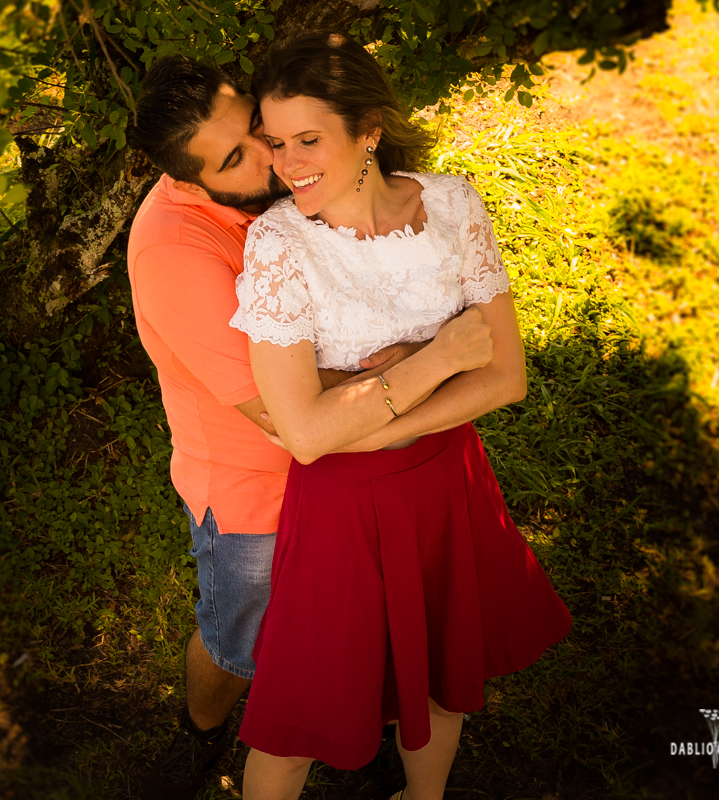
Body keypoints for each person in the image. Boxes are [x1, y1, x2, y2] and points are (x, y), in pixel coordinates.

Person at [125, 58, 489, 799]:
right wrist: (433, 355)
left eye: (257, 133)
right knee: (242, 645)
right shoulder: (175, 252)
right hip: (260, 490)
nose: (270, 158)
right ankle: (201, 736)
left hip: (356, 469)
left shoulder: (291, 186)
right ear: (192, 181)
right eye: (236, 159)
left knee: (373, 626)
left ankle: (381, 735)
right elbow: (291, 412)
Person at [228, 33, 574, 800]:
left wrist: (357, 415)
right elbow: (310, 438)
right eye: (276, 143)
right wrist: (439, 358)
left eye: (309, 139)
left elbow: (508, 377)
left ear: (369, 130)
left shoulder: (453, 204)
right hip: (341, 508)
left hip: (447, 482)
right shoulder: (279, 245)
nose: (288, 164)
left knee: (443, 680)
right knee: (296, 713)